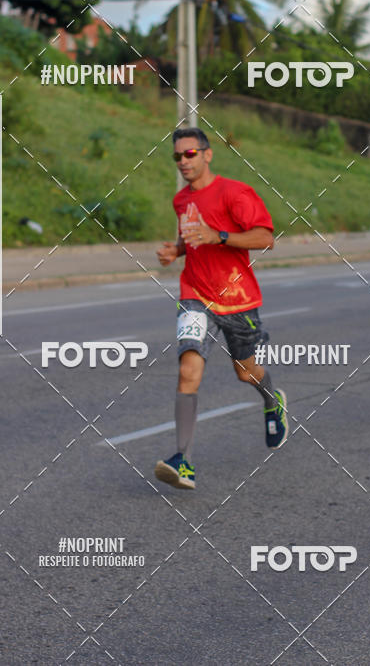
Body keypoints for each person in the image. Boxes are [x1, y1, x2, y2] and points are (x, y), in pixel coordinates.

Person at [154, 127, 287, 489]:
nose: (183, 161)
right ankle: (183, 461)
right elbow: (190, 238)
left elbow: (265, 238)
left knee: (245, 372)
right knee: (188, 370)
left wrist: (221, 236)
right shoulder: (181, 200)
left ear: (207, 154)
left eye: (190, 154)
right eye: (177, 156)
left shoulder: (235, 193)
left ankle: (272, 399)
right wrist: (176, 250)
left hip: (238, 299)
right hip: (195, 294)